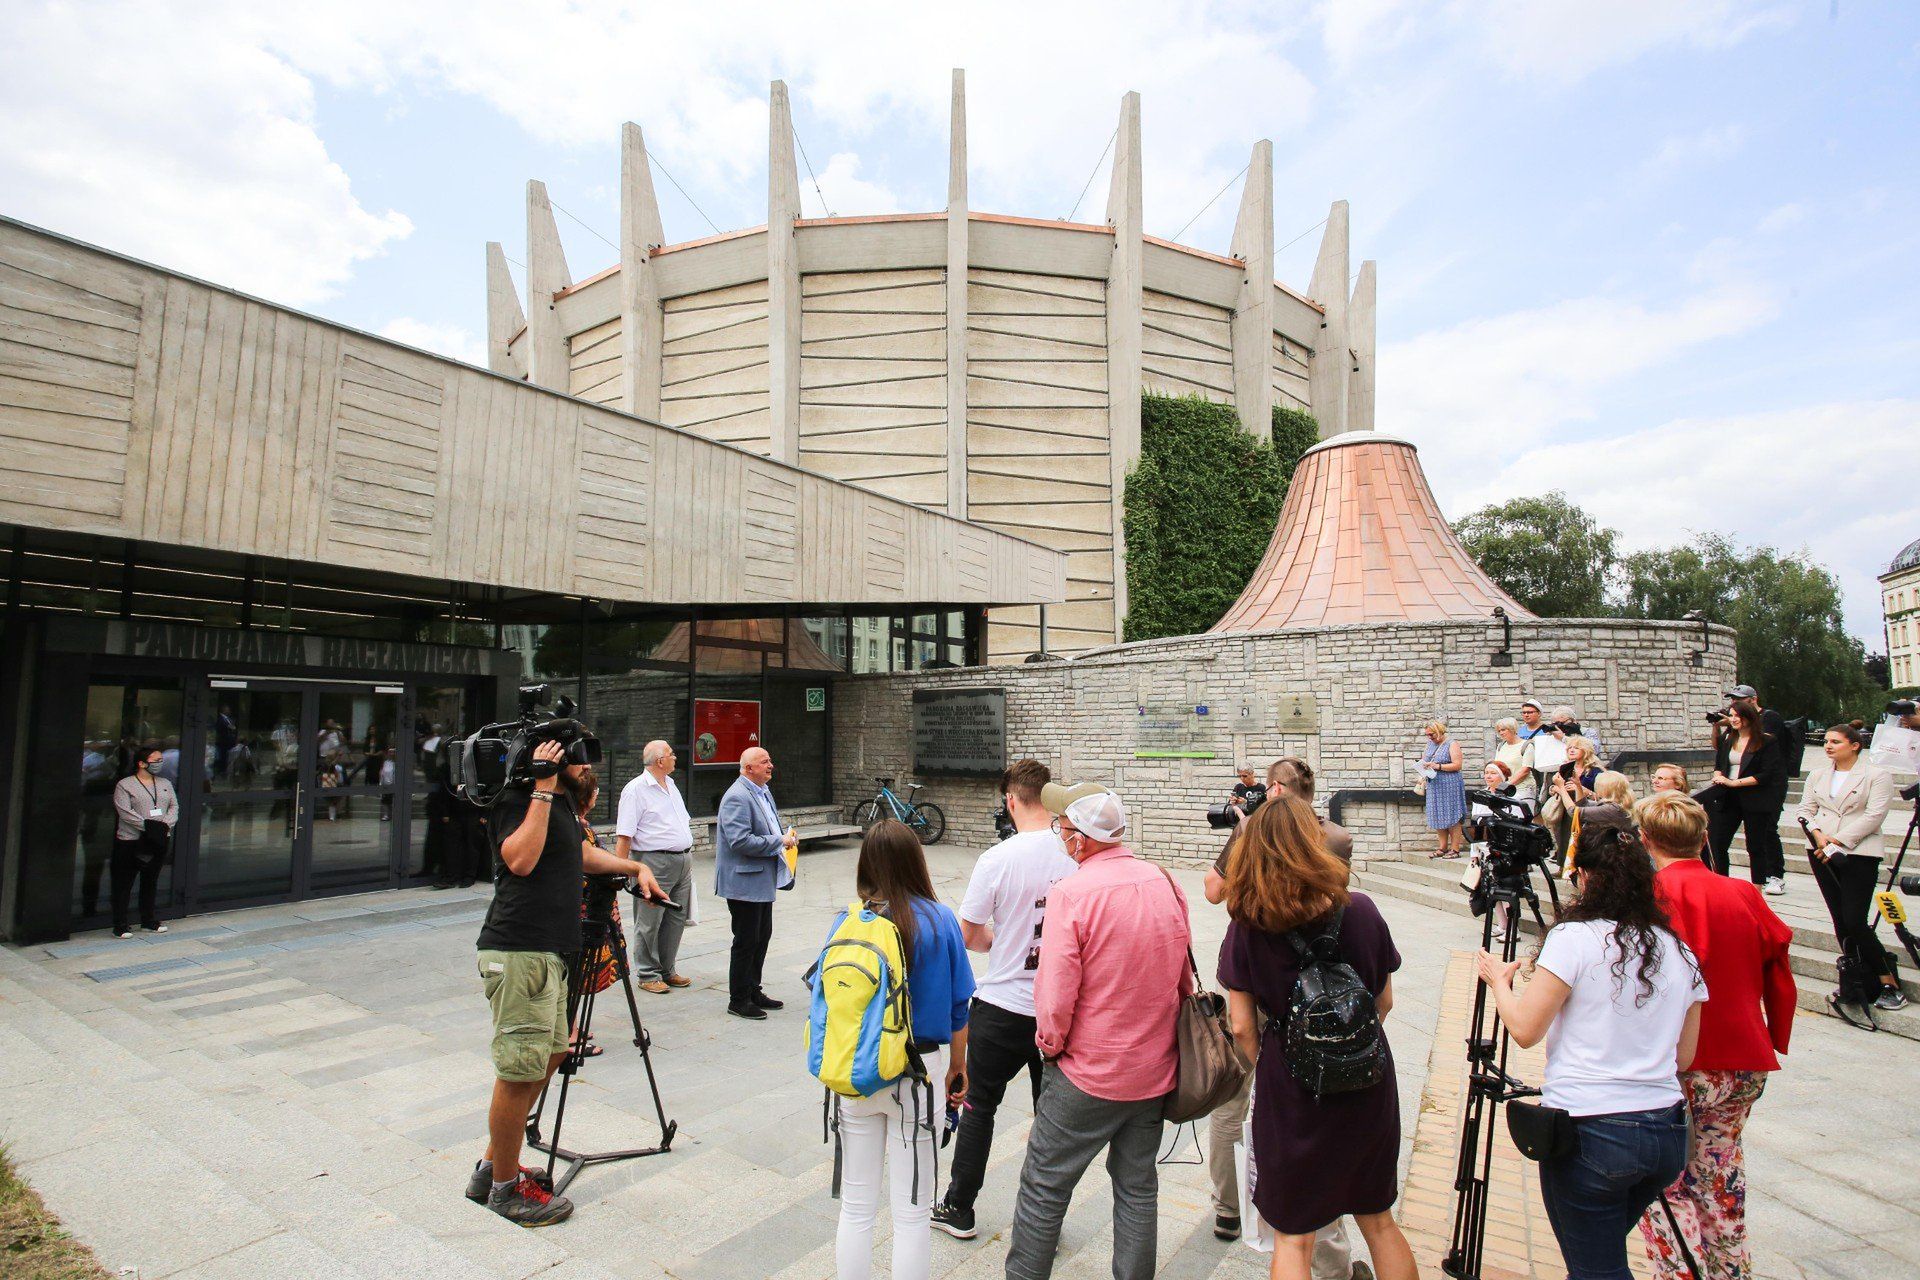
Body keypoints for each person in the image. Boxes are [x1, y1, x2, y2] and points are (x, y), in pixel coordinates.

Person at [1476, 813, 1704, 1280]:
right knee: (1594, 1256)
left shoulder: (1574, 938)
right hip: (1665, 1131)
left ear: (1583, 877)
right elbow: (1684, 1057)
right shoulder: (1679, 950)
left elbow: (1524, 1029)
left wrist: (1501, 982)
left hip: (1594, 1131)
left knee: (1596, 1269)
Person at [469, 733, 666, 1226]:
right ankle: (504, 1190)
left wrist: (634, 865)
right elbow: (519, 859)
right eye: (573, 760)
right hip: (520, 950)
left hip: (551, 952)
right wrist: (539, 787)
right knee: (518, 1071)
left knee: (554, 1052)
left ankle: (494, 1166)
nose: (585, 769)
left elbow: (581, 855)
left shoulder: (557, 804)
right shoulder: (518, 800)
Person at [1218, 795, 1417, 1280]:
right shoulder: (1363, 910)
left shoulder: (1248, 927)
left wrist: (1283, 1060)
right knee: (1378, 1220)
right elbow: (1384, 1002)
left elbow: (1242, 1026)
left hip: (1293, 1092)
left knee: (1294, 1234)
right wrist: (1348, 1050)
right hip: (1368, 1082)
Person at [1004, 783, 1190, 1280]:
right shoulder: (1165, 882)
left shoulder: (1071, 893)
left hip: (1088, 1071)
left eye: (1064, 831)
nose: (1062, 838)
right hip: (1153, 1069)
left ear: (1082, 841)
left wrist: (1050, 1045)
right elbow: (1182, 979)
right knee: (1137, 1187)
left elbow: (1056, 991)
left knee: (1045, 1183)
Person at [1202, 756, 1365, 1277]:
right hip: (1325, 1005)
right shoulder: (1337, 839)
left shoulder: (1251, 840)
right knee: (1317, 1129)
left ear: (1273, 790)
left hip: (1264, 998)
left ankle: (1231, 1207)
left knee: (1234, 1105)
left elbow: (1212, 891)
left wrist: (1241, 836)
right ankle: (1332, 1257)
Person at [1630, 791, 1796, 1280]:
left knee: (1664, 1181)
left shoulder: (1648, 896)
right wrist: (1774, 1032)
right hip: (1743, 1055)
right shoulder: (1743, 893)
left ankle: (1681, 1273)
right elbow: (1779, 964)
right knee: (1720, 1172)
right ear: (1704, 839)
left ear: (1645, 840)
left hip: (1677, 1059)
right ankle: (1730, 1271)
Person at [932, 760, 1077, 1240]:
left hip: (1003, 1006)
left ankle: (959, 1207)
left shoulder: (998, 859)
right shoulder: (1077, 851)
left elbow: (970, 933)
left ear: (1011, 800)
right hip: (1061, 1010)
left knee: (977, 1107)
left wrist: (1004, 942)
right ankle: (1042, 1228)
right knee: (1051, 1122)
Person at [832, 819, 974, 1280]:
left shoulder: (848, 921)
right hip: (920, 1072)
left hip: (858, 1071)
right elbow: (959, 1004)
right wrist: (958, 1066)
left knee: (856, 1208)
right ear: (917, 859)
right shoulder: (941, 920)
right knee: (912, 1214)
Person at [1795, 721, 1905, 1011]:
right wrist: (1819, 837)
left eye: (1836, 742)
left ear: (1854, 745)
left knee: (1855, 917)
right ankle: (1856, 976)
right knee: (1840, 920)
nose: (1828, 746)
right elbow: (1806, 810)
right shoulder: (1818, 775)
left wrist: (1838, 841)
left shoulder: (1876, 775)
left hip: (1858, 851)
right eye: (1827, 741)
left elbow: (1875, 814)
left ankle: (1887, 979)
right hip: (1819, 850)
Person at [715, 746, 797, 1020]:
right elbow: (739, 841)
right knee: (746, 940)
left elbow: (770, 827)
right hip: (743, 882)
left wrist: (785, 837)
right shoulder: (736, 797)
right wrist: (779, 841)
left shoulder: (762, 791)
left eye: (770, 760)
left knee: (761, 937)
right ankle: (738, 999)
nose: (771, 765)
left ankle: (753, 989)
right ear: (748, 768)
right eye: (764, 762)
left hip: (761, 880)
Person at [615, 740, 695, 995]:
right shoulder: (635, 790)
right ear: (660, 761)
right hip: (653, 862)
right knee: (649, 920)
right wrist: (624, 871)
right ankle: (647, 973)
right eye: (671, 754)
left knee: (675, 918)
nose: (675, 757)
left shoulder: (670, 784)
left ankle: (667, 969)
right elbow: (624, 835)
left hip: (682, 860)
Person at [1705, 702, 1787, 891]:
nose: (1733, 719)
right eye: (1731, 715)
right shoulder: (1728, 740)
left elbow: (1767, 774)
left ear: (1749, 717)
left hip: (1755, 797)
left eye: (1737, 715)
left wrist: (1735, 782)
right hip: (1728, 797)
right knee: (1718, 842)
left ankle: (1757, 887)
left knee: (1755, 845)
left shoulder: (1767, 741)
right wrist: (1718, 776)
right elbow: (1720, 765)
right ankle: (1721, 885)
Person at [1724, 685, 1794, 895]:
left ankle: (1775, 875)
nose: (1735, 706)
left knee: (1767, 831)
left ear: (1753, 700)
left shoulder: (1770, 718)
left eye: (1741, 701)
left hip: (1767, 786)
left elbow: (1762, 750)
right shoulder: (1734, 729)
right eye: (1733, 702)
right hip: (1740, 789)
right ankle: (1757, 876)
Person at [110, 742, 179, 938]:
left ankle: (148, 920)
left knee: (150, 881)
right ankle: (120, 924)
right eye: (155, 760)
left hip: (158, 840)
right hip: (131, 840)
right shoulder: (125, 785)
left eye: (161, 760)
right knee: (124, 882)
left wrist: (165, 825)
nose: (159, 763)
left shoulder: (165, 784)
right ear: (141, 763)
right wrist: (149, 827)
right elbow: (125, 812)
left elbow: (174, 807)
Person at [1541, 736, 1601, 870]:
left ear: (1585, 751)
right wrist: (1556, 788)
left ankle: (1579, 868)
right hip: (1564, 806)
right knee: (1563, 836)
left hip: (1585, 808)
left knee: (1581, 837)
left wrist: (1583, 790)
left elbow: (1601, 793)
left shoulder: (1594, 771)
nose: (1572, 750)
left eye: (1576, 748)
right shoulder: (1565, 767)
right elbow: (1551, 787)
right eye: (1570, 748)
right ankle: (1563, 866)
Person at [1418, 721, 1466, 859]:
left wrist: (1437, 766)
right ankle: (1442, 847)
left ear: (1439, 731)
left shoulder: (1452, 744)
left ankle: (1455, 849)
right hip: (1434, 784)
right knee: (1437, 814)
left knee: (1453, 814)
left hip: (1450, 783)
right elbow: (1424, 760)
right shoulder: (1429, 745)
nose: (1429, 737)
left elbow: (1457, 765)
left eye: (1431, 734)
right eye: (1427, 735)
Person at [1493, 718, 1536, 802]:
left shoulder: (1526, 745)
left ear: (1512, 729)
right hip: (1504, 789)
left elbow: (1525, 770)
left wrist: (1508, 784)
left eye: (1503, 730)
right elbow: (1497, 767)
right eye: (1499, 731)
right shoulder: (1500, 746)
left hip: (1523, 788)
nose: (1501, 733)